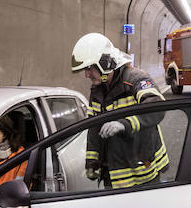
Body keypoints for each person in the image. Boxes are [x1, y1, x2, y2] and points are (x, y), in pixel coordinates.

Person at [71, 32, 168, 189]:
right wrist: (92, 163)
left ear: (105, 64)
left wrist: (125, 124)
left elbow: (156, 106)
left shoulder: (136, 80)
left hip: (143, 170)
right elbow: (94, 128)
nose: (86, 74)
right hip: (113, 174)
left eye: (89, 68)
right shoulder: (97, 90)